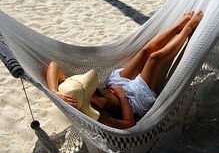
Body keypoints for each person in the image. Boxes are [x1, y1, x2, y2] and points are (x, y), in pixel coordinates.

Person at [47, 10, 204, 129]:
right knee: (154, 59)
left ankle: (178, 25)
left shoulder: (70, 91)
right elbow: (129, 124)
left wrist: (54, 91)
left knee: (144, 52)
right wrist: (122, 97)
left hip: (115, 84)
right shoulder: (97, 116)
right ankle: (187, 29)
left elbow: (53, 65)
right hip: (133, 100)